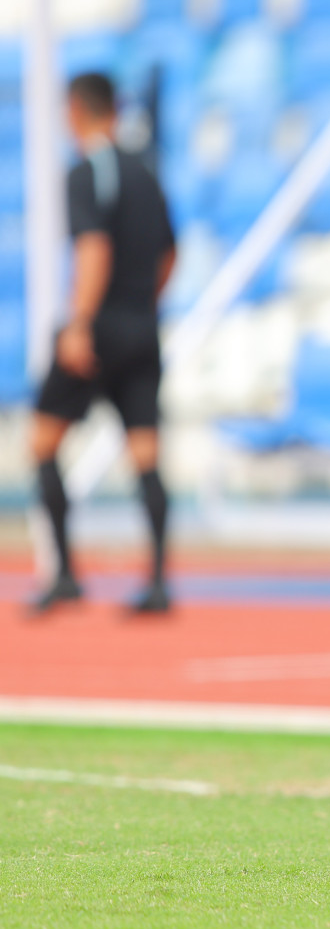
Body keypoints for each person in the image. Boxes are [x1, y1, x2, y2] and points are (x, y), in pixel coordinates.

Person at [30, 72, 177, 614]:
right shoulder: (148, 171)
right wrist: (143, 305)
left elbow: (93, 252)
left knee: (43, 443)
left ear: (76, 110)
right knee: (145, 453)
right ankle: (159, 580)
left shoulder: (87, 172)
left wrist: (80, 323)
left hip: (100, 330)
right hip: (142, 326)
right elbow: (169, 255)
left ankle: (66, 572)